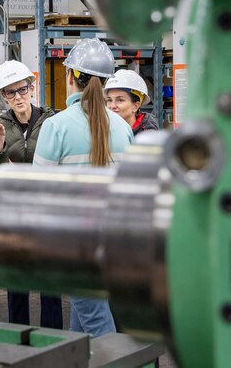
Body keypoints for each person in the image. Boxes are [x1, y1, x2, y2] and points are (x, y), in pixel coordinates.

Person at [33, 38, 133, 337]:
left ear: (71, 76)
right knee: (82, 327)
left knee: (98, 327)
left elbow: (40, 193)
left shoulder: (56, 126)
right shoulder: (122, 127)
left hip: (75, 245)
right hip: (115, 242)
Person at [0, 60, 61, 329]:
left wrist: (17, 169)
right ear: (3, 96)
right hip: (14, 212)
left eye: (22, 89)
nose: (18, 97)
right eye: (10, 92)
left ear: (32, 88)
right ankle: (17, 340)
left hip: (47, 211)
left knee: (49, 281)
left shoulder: (52, 120)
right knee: (16, 281)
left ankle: (53, 340)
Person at [105, 69, 159, 135]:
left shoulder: (147, 137)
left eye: (120, 100)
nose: (112, 106)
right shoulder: (103, 130)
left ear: (136, 106)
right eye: (109, 100)